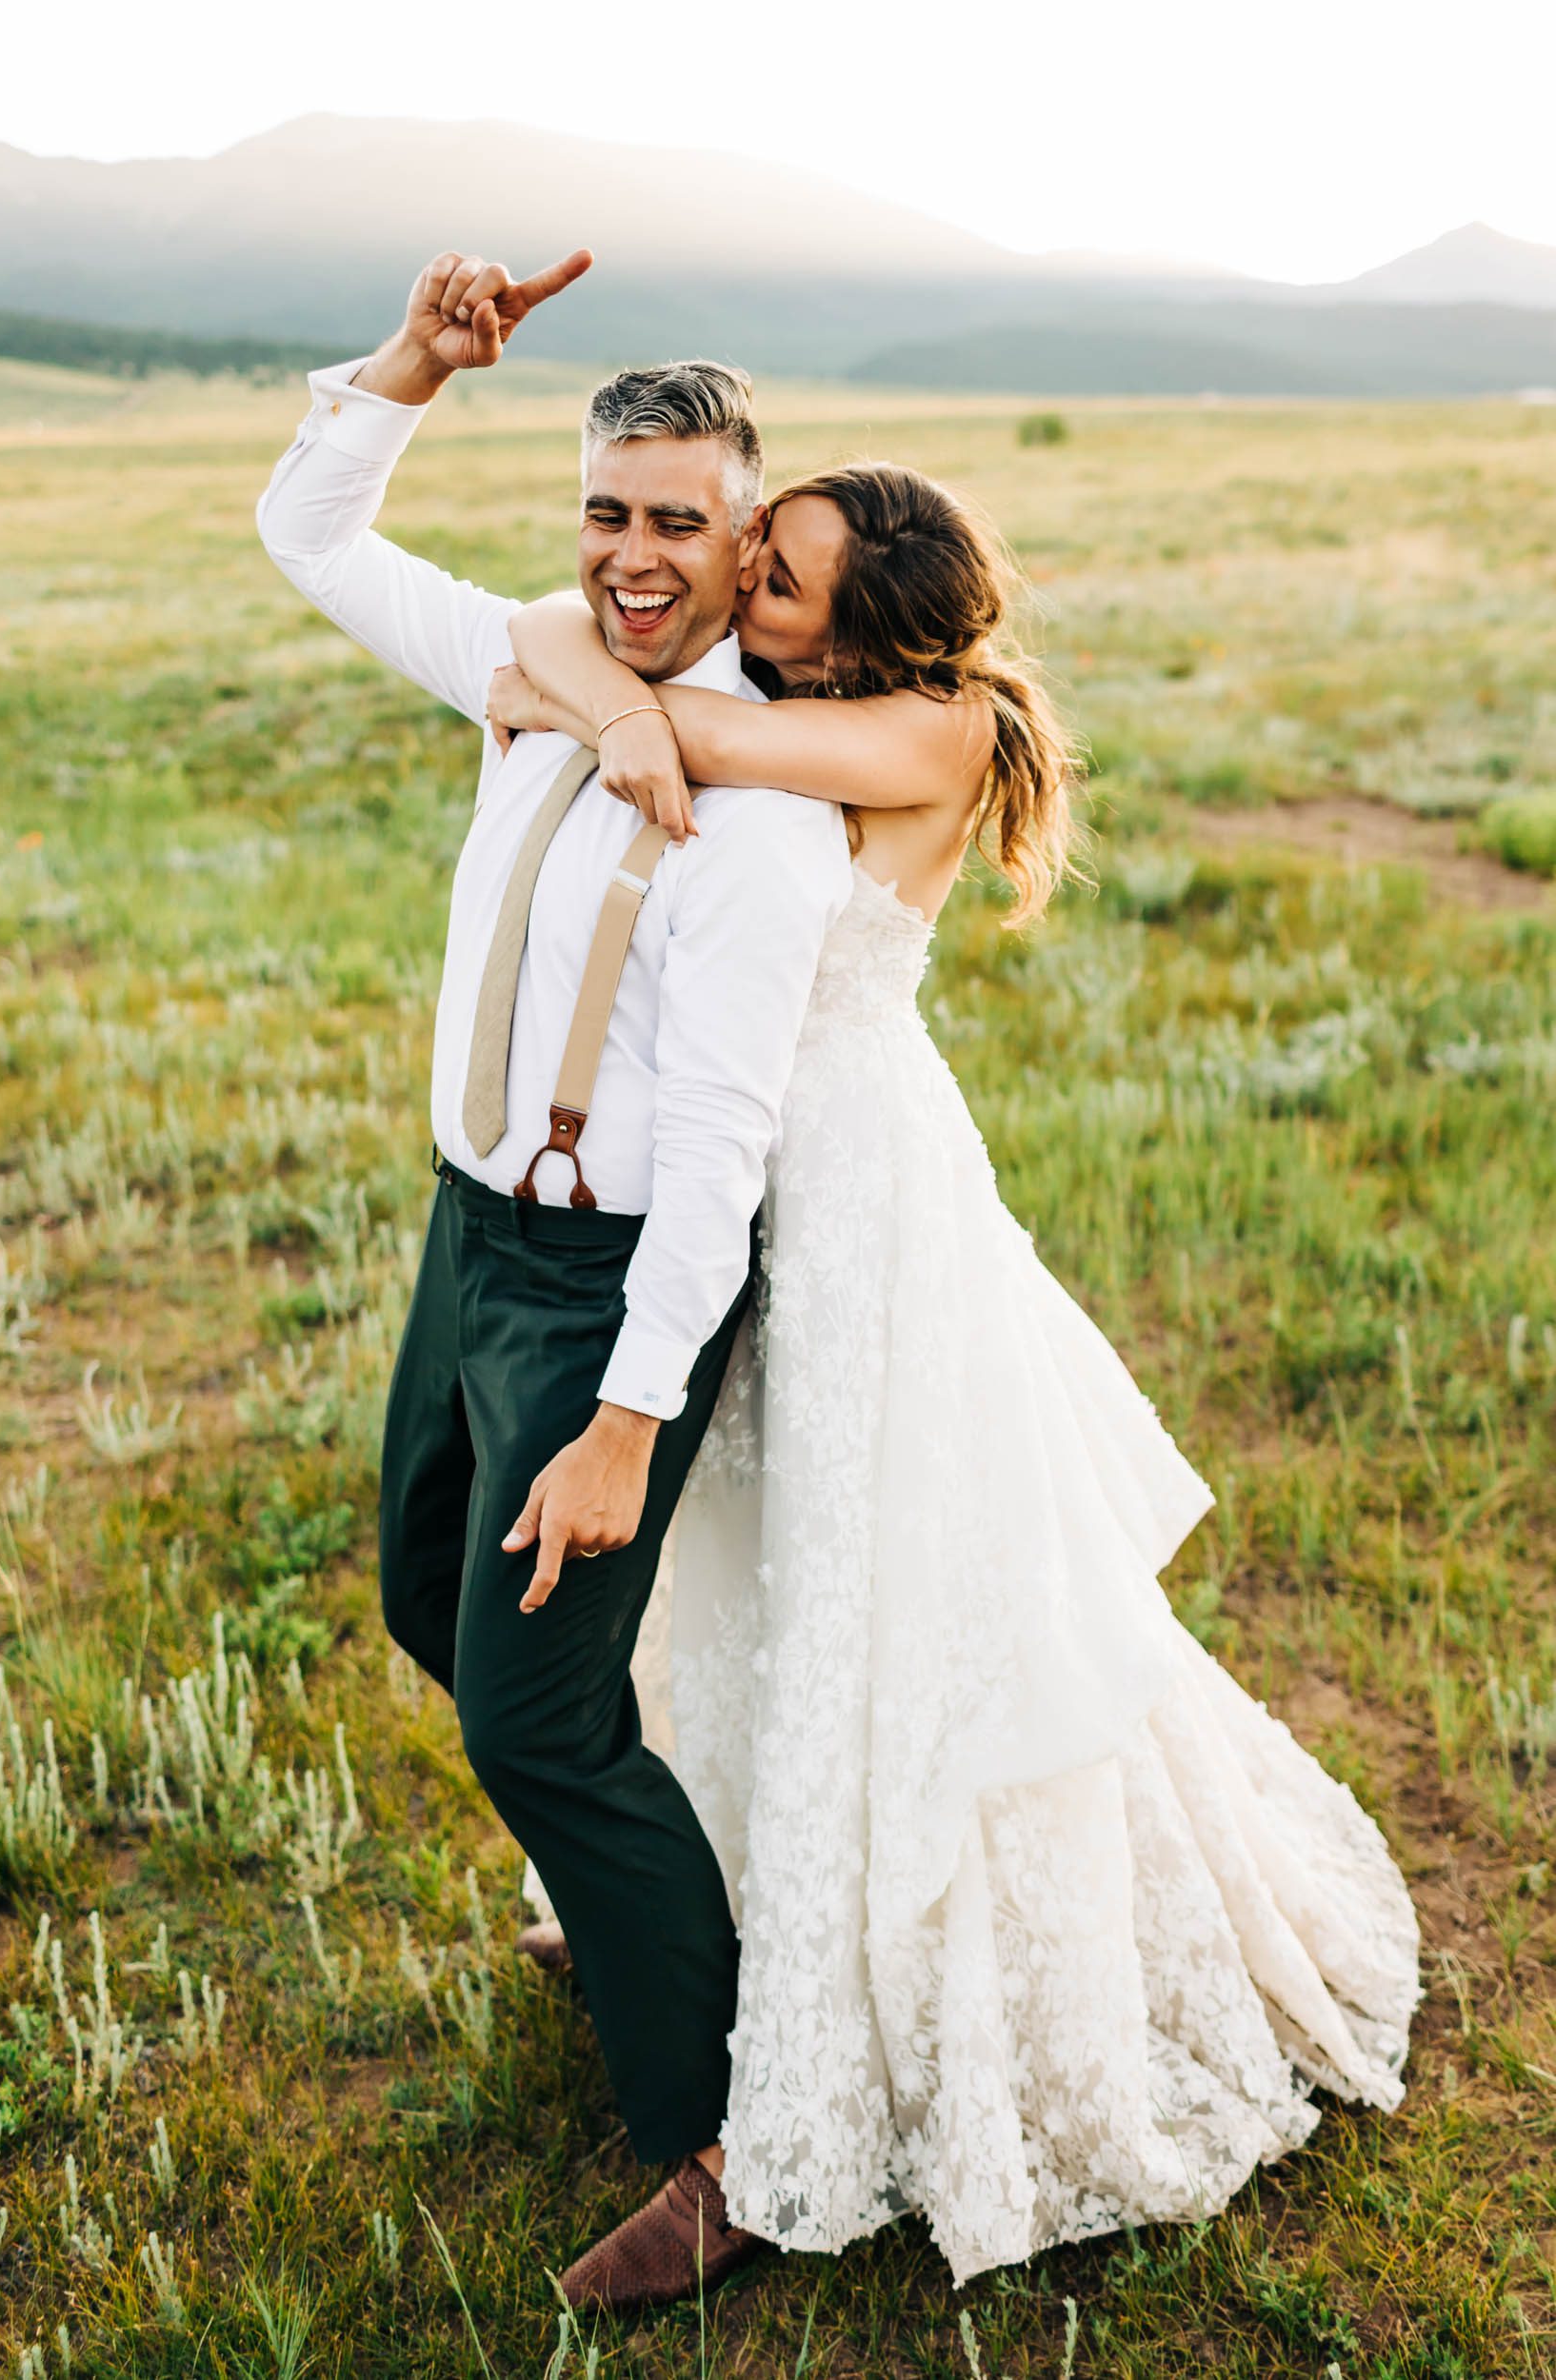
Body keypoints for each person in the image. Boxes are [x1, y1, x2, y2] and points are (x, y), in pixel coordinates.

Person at [488, 462, 1425, 2289]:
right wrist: (593, 672)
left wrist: (599, 684)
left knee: (894, 1589)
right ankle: (737, 1899)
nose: (744, 584)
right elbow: (577, 668)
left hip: (861, 1204)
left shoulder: (923, 729)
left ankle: (873, 2031)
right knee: (752, 1555)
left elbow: (621, 700)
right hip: (766, 1186)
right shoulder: (814, 696)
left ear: (870, 618)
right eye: (759, 553)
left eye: (779, 578)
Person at [255, 248, 852, 2308]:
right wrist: (413, 360)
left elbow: (723, 1155)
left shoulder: (764, 821)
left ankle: (734, 2136)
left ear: (743, 534)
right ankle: (647, 1899)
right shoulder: (525, 675)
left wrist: (623, 1417)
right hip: (465, 1234)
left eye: (678, 521)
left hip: (608, 1286)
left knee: (539, 1720)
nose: (631, 554)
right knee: (432, 1592)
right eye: (607, 510)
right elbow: (309, 529)